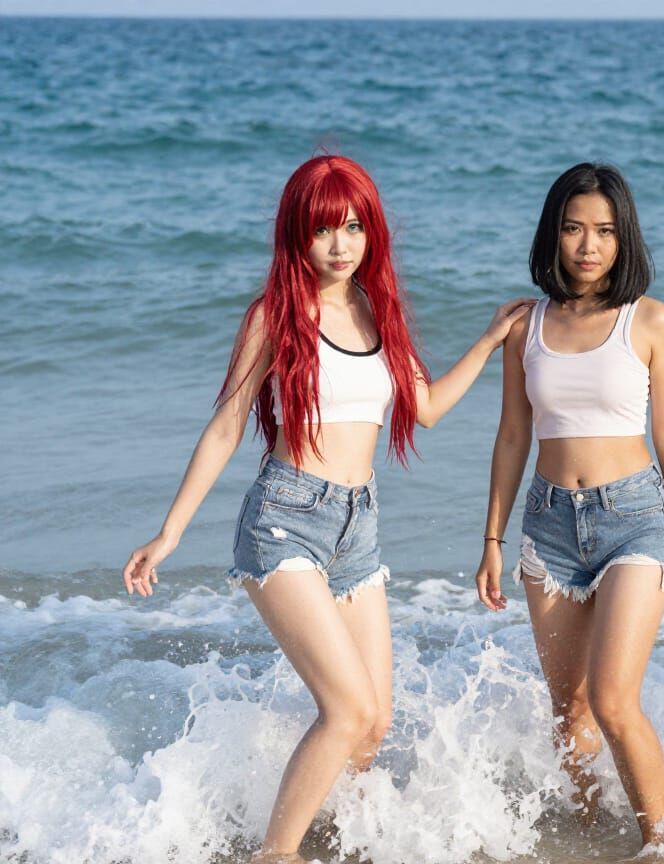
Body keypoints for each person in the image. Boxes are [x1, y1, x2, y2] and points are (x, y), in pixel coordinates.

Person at [121, 155, 532, 863]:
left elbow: (426, 408)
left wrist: (493, 341)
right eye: (322, 229)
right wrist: (170, 531)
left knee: (373, 725)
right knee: (346, 712)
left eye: (351, 227)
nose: (339, 245)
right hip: (284, 522)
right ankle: (275, 854)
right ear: (295, 235)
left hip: (358, 530)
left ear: (370, 231)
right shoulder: (274, 316)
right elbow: (227, 425)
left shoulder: (380, 312)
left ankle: (336, 839)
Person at [474, 163, 664, 849]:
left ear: (623, 238)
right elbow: (513, 434)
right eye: (574, 228)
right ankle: (592, 836)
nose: (588, 245)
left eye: (603, 230)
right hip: (548, 524)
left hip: (634, 519)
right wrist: (492, 539)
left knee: (612, 699)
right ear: (554, 234)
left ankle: (662, 843)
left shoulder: (650, 320)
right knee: (568, 710)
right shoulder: (526, 325)